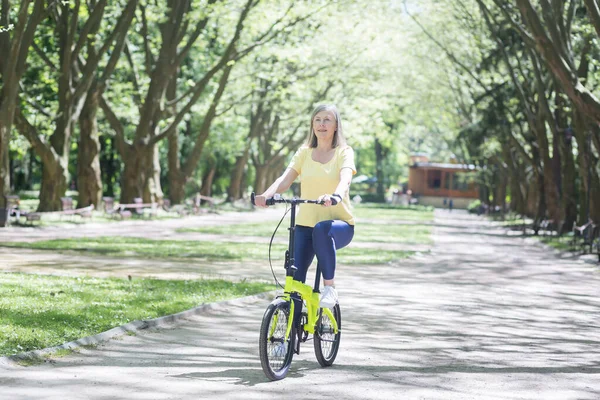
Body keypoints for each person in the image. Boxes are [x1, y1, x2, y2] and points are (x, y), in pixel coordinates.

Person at [255, 104, 356, 309]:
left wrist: (336, 195)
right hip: (305, 224)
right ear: (312, 124)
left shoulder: (344, 152)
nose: (322, 124)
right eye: (317, 120)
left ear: (336, 125)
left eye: (327, 120)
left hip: (339, 226)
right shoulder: (304, 152)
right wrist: (266, 195)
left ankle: (329, 288)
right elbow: (285, 179)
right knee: (295, 279)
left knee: (322, 230)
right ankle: (288, 335)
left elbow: (345, 178)